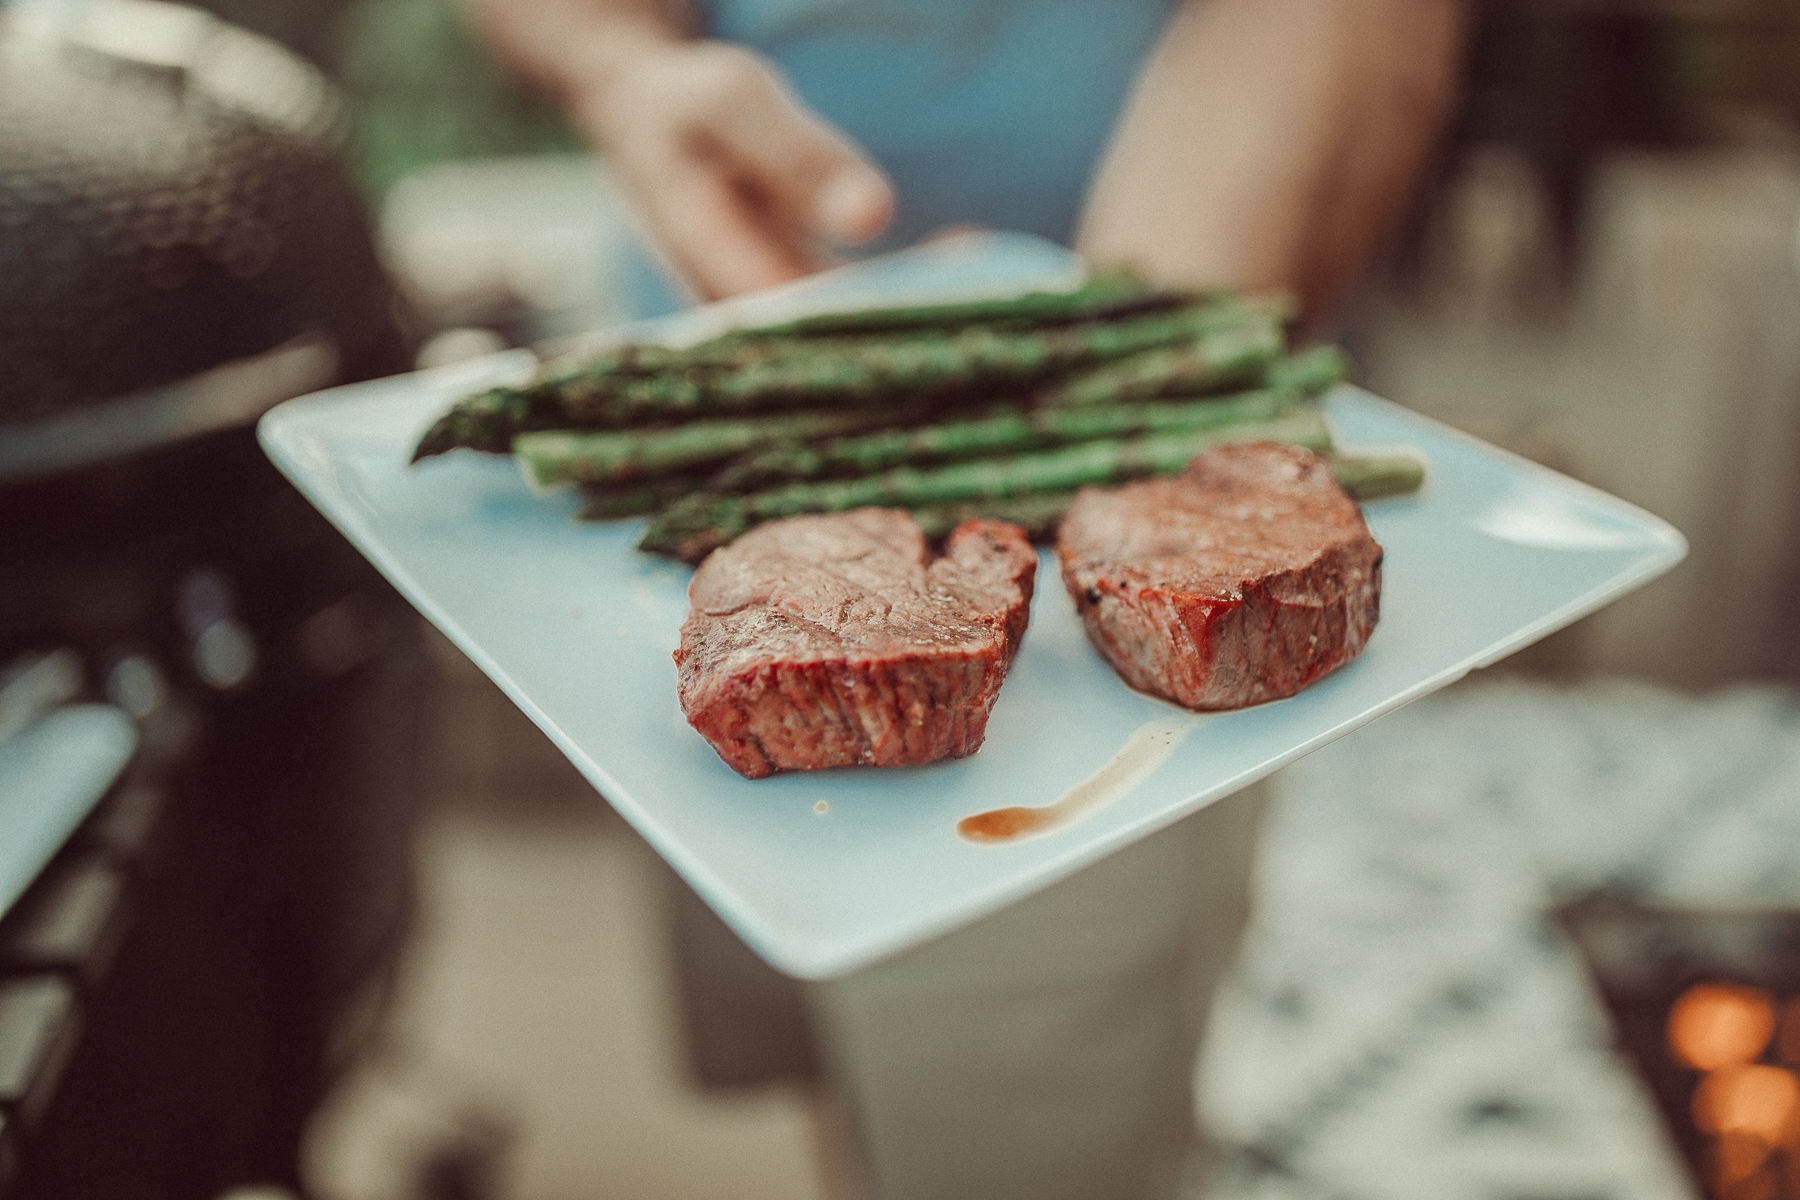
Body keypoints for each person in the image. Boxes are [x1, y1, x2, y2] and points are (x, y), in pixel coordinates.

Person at [463, 3, 1464, 1198]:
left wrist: (1119, 339)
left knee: (1016, 1140)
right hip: (705, 425)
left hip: (1136, 396)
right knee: (822, 1051)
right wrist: (619, 69)